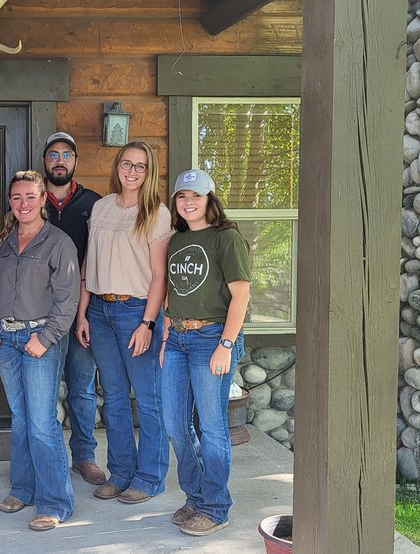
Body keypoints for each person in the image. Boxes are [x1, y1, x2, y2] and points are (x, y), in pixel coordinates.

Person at [0, 171, 79, 532]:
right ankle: (23, 488)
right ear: (10, 202)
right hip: (5, 339)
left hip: (40, 340)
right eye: (17, 197)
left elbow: (68, 299)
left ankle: (55, 502)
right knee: (21, 418)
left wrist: (47, 337)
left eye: (30, 197)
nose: (23, 203)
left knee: (41, 423)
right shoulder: (4, 244)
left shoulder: (58, 243)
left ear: (42, 200)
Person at [75, 141, 172, 504]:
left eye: (140, 166)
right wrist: (83, 312)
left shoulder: (156, 213)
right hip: (100, 311)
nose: (132, 172)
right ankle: (120, 473)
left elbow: (159, 276)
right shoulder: (100, 207)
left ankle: (149, 477)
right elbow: (89, 265)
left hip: (136, 311)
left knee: (147, 400)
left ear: (150, 172)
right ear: (117, 167)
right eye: (127, 164)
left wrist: (147, 324)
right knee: (114, 398)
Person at [160, 169, 251, 537]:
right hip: (178, 338)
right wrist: (167, 337)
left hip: (210, 338)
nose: (189, 202)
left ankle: (215, 507)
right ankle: (196, 497)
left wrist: (226, 345)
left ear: (210, 200)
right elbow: (172, 293)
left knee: (212, 429)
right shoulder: (176, 240)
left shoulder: (226, 238)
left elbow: (241, 295)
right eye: (182, 197)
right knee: (176, 425)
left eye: (196, 196)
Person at [41, 132, 105, 486]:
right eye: (53, 154)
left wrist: (84, 313)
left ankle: (84, 457)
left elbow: (95, 261)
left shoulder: (93, 204)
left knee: (81, 388)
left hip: (83, 311)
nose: (60, 160)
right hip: (40, 314)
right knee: (44, 392)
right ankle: (48, 459)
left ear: (76, 161)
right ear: (45, 161)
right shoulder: (33, 202)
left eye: (67, 154)